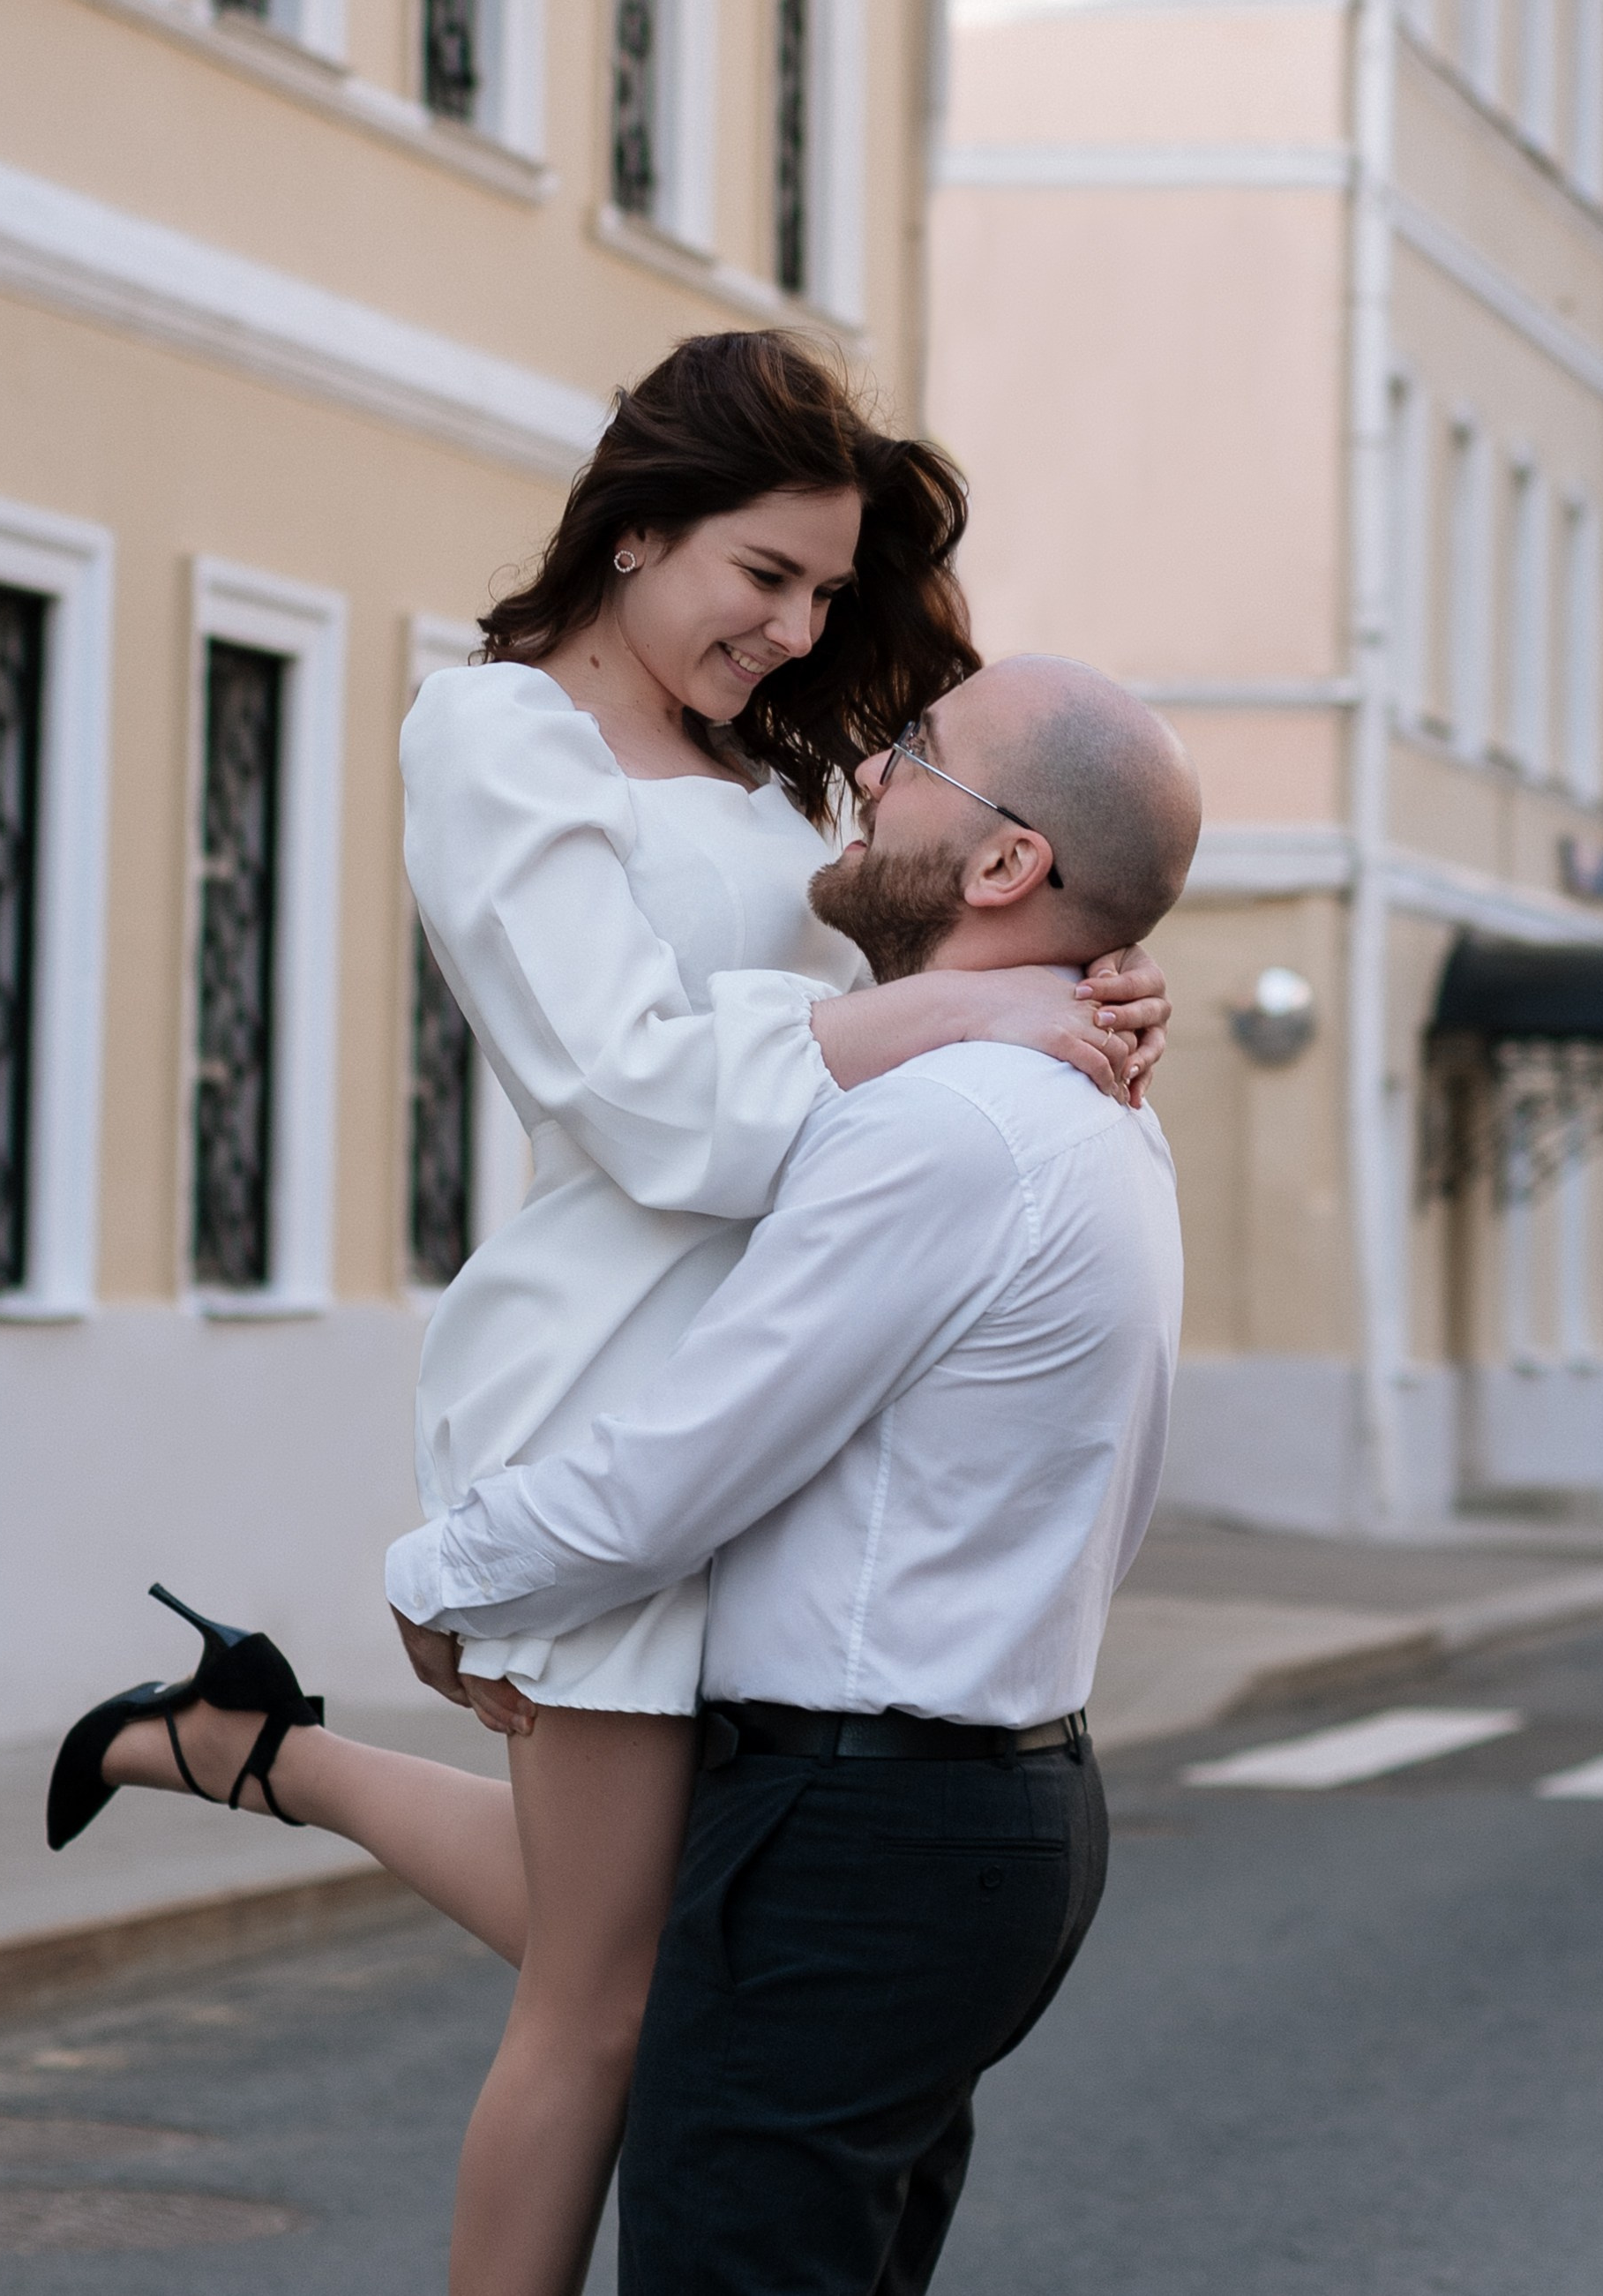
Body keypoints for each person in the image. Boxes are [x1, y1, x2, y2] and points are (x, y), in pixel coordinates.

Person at [46, 334, 1171, 2296]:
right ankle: (243, 1745)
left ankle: (244, 1741)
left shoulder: (777, 755)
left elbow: (971, 872)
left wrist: (1080, 968)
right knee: (604, 2007)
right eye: (766, 576)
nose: (801, 626)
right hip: (612, 1376)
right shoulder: (496, 737)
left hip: (757, 1385)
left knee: (634, 1932)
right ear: (641, 527)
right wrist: (964, 1009)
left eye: (827, 590)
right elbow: (636, 1093)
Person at [388, 650, 1200, 2295]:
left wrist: (442, 1575)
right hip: (989, 1803)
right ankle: (249, 1748)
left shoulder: (950, 1127)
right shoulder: (1090, 1112)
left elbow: (687, 1465)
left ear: (1003, 863)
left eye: (915, 753)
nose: (867, 774)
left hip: (862, 1833)